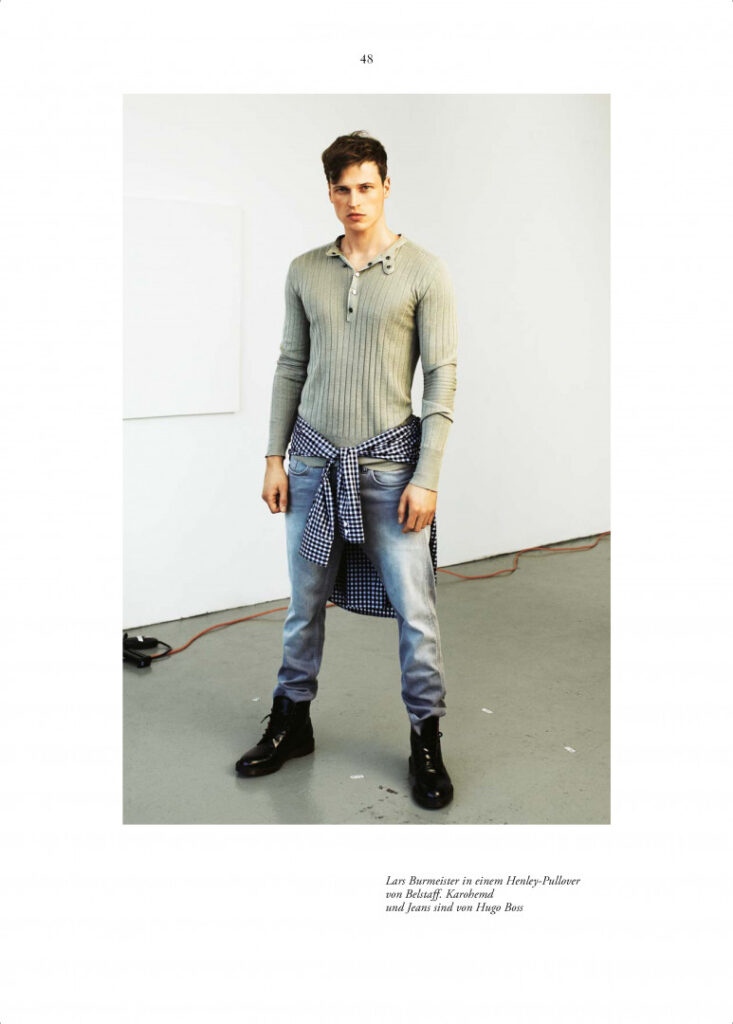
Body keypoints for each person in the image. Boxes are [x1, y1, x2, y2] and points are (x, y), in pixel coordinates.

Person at [235, 130, 458, 810]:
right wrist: (274, 458)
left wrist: (427, 476)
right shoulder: (305, 270)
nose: (354, 200)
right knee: (302, 607)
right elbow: (290, 365)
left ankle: (425, 739)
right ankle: (291, 720)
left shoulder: (424, 271)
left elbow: (441, 379)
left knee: (416, 613)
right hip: (311, 464)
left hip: (391, 470)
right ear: (329, 193)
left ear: (386, 186)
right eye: (342, 189)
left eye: (366, 186)